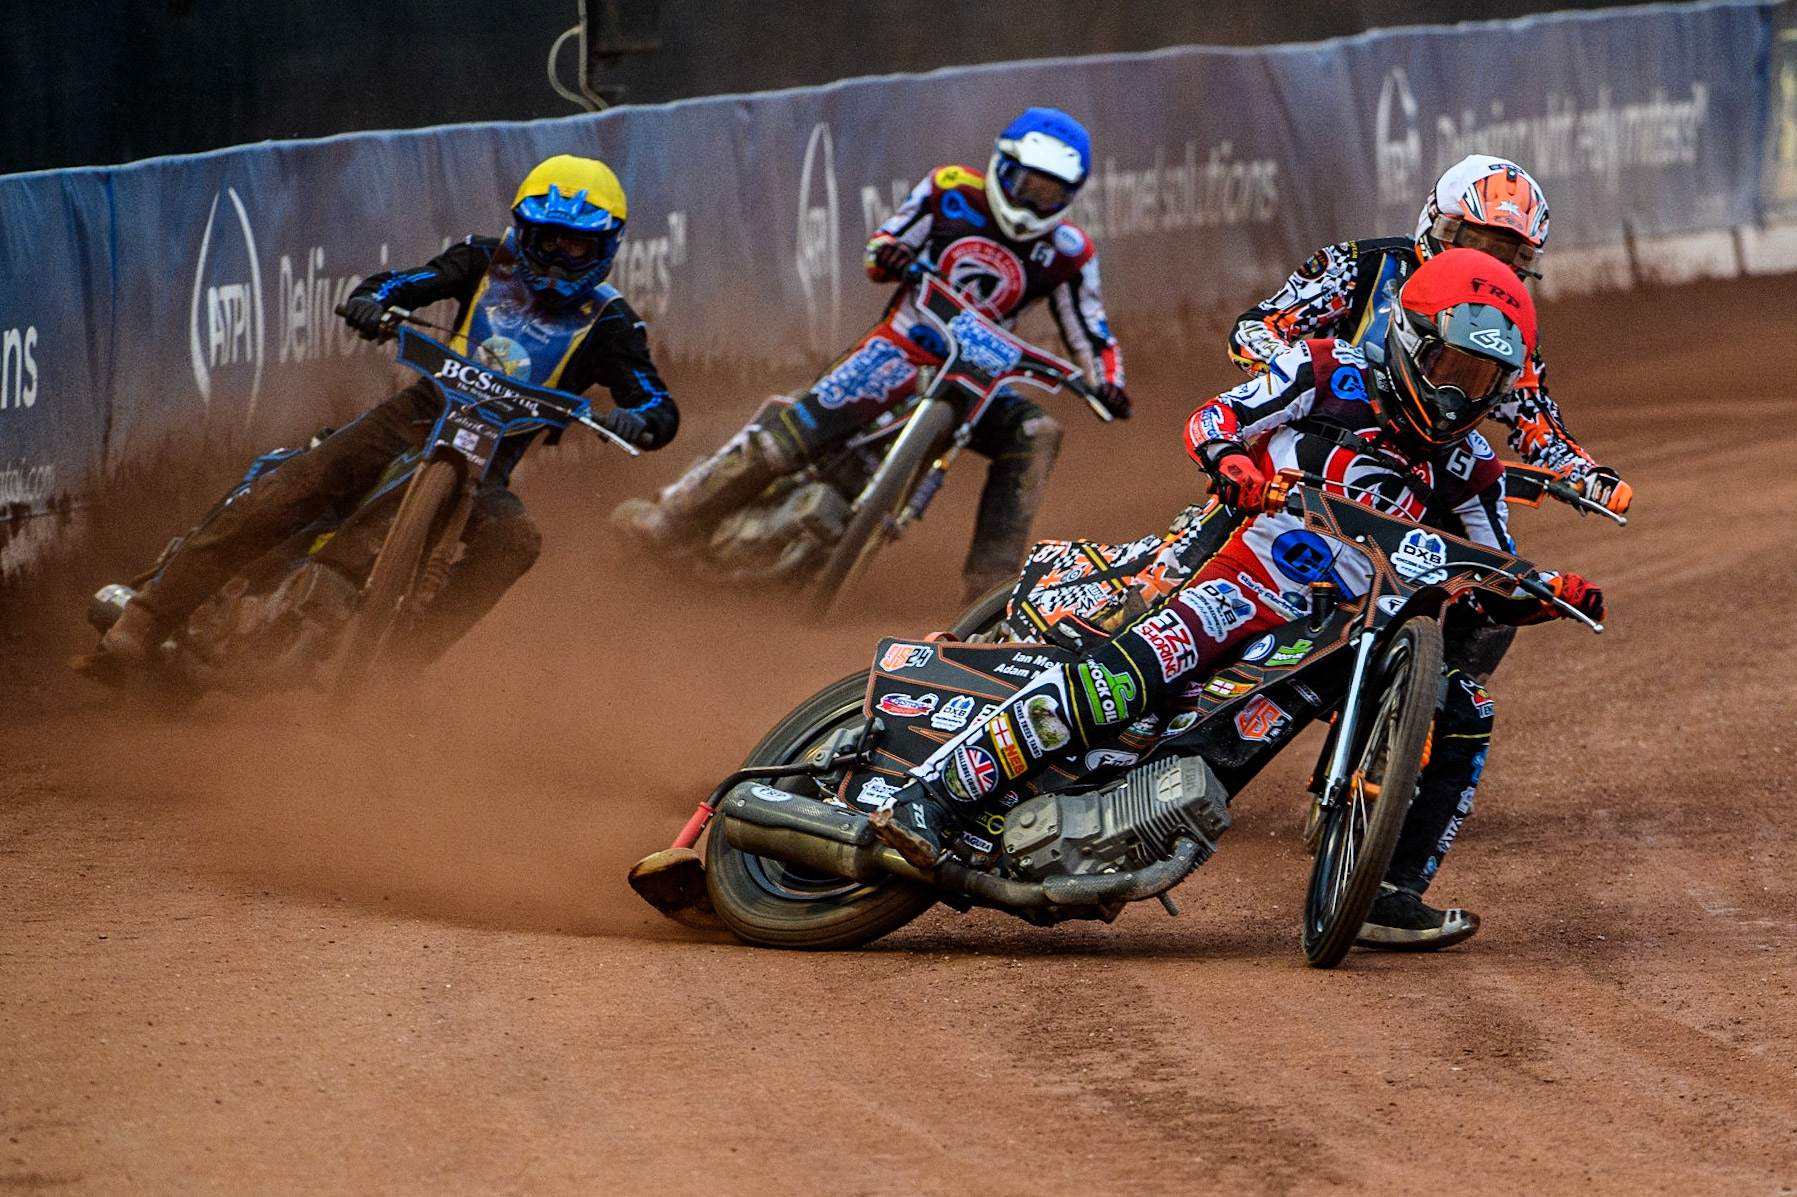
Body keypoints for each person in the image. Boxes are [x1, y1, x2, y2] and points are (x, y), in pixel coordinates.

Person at [871, 248, 1606, 950]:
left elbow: (1491, 569)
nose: (1456, 396)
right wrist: (1230, 462)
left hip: (1346, 633)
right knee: (1125, 677)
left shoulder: (1470, 465)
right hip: (1242, 580)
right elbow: (1214, 417)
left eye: (1480, 382)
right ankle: (931, 797)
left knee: (1466, 707)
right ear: (1409, 338)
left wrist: (1535, 595)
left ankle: (1386, 892)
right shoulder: (1326, 370)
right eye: (1449, 366)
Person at [98, 154, 677, 666]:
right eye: (546, 241)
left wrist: (639, 421)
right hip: (412, 417)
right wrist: (373, 302)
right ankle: (149, 615)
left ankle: (402, 664)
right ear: (523, 234)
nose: (556, 259)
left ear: (604, 248)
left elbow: (656, 401)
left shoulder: (612, 323)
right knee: (296, 486)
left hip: (488, 467)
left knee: (516, 542)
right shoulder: (483, 259)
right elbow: (410, 281)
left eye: (574, 246)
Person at [613, 107, 1129, 599]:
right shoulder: (951, 191)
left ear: (1070, 197)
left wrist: (1107, 381)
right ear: (1001, 167)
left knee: (1035, 432)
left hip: (979, 382)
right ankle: (676, 517)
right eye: (1025, 186)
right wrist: (892, 254)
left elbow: (1091, 328)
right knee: (793, 435)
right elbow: (880, 248)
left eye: (1049, 195)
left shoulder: (1070, 253)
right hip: (900, 349)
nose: (1033, 203)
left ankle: (990, 588)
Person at [1230, 154, 1632, 516]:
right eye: (1476, 243)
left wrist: (1584, 473)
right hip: (1303, 458)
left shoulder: (1506, 321)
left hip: (1416, 482)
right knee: (1216, 541)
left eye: (1509, 256)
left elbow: (1531, 414)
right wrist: (1308, 378)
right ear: (1438, 224)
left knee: (1475, 576)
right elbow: (1255, 328)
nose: (1485, 263)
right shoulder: (1360, 266)